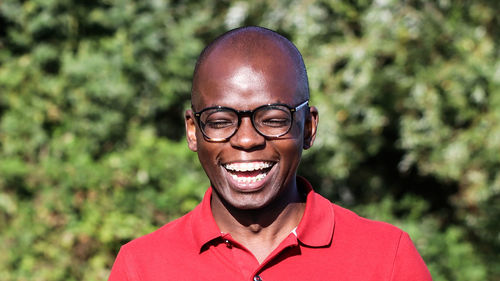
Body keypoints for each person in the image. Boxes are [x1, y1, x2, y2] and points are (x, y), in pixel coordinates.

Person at [108, 26, 432, 281]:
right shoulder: (142, 267)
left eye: (274, 119)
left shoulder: (386, 259)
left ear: (308, 128)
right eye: (220, 121)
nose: (247, 140)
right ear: (193, 131)